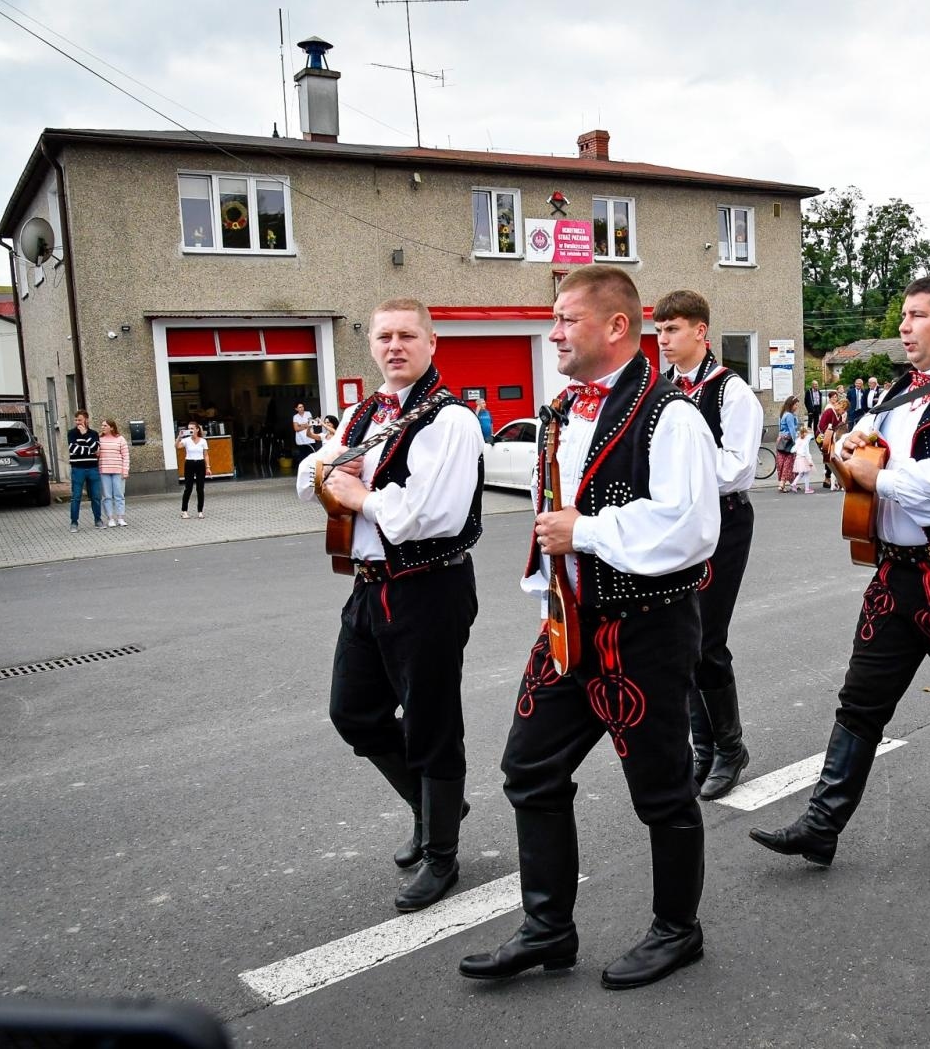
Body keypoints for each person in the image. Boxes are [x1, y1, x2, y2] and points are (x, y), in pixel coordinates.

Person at [459, 266, 718, 990]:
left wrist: (590, 531)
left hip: (646, 628)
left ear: (614, 327)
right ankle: (548, 927)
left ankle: (678, 930)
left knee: (661, 790)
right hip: (568, 628)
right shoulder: (562, 410)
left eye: (567, 319)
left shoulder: (672, 414)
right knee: (530, 770)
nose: (553, 332)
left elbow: (694, 529)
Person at [748, 274, 930, 869]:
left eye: (917, 315)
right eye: (902, 315)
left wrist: (879, 478)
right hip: (896, 574)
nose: (903, 326)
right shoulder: (901, 392)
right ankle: (823, 824)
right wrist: (848, 451)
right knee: (860, 700)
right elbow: (863, 443)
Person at [298, 297, 484, 913]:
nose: (394, 346)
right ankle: (433, 807)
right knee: (353, 711)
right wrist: (343, 481)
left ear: (432, 345)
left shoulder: (449, 419)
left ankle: (442, 856)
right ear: (372, 344)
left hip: (430, 586)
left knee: (432, 722)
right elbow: (310, 476)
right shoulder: (361, 413)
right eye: (384, 336)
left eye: (407, 336)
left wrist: (359, 493)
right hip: (368, 583)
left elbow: (430, 516)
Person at [656, 289, 758, 802]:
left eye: (672, 329)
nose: (663, 340)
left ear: (700, 331)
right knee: (682, 639)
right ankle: (704, 749)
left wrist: (679, 476)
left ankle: (730, 747)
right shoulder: (662, 389)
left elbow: (738, 466)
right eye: (659, 331)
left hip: (724, 520)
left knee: (707, 639)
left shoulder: (731, 390)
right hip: (678, 523)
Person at [66, 410, 103, 532]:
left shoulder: (93, 433)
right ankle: (74, 523)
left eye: (80, 420)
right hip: (78, 469)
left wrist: (86, 435)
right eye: (76, 420)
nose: (77, 422)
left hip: (93, 468)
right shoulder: (71, 433)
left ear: (86, 420)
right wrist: (91, 450)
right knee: (76, 497)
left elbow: (96, 448)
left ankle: (98, 520)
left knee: (96, 496)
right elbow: (73, 449)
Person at [97, 418, 130, 528]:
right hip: (104, 471)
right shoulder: (99, 439)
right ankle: (110, 518)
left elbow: (126, 456)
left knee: (119, 495)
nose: (103, 427)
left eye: (105, 426)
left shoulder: (120, 439)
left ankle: (120, 517)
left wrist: (125, 471)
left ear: (112, 427)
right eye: (102, 426)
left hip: (118, 471)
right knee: (107, 496)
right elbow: (96, 455)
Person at [177, 421, 209, 519]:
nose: (190, 430)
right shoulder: (186, 440)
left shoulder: (203, 441)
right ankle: (184, 511)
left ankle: (200, 511)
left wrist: (208, 467)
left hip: (200, 463)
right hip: (189, 463)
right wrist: (179, 437)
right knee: (188, 488)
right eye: (189, 428)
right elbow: (177, 447)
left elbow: (206, 454)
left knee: (200, 488)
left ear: (197, 429)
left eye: (192, 428)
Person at [817, 393, 847, 490]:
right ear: (840, 406)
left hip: (834, 438)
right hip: (823, 437)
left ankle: (833, 479)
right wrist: (830, 430)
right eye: (844, 409)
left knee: (833, 458)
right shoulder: (829, 411)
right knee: (828, 457)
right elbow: (821, 426)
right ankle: (827, 478)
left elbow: (840, 428)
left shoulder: (840, 417)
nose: (844, 412)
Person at [774, 395, 800, 492]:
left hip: (781, 441)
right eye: (796, 405)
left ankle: (789, 483)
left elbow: (781, 429)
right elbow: (792, 430)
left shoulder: (783, 414)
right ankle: (782, 484)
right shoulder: (789, 415)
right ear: (791, 404)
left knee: (781, 463)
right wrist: (796, 442)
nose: (797, 407)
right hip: (788, 442)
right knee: (788, 463)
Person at [791, 426, 816, 493]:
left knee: (801, 473)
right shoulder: (805, 441)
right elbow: (806, 452)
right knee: (807, 474)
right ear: (805, 433)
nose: (808, 434)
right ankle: (807, 489)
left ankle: (794, 483)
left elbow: (793, 450)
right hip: (804, 458)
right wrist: (810, 461)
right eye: (807, 433)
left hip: (798, 458)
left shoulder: (798, 440)